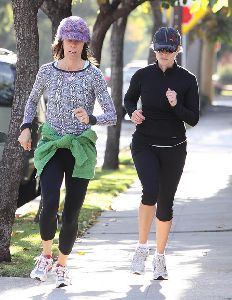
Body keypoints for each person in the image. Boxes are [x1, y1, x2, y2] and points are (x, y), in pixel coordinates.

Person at [18, 16, 117, 288]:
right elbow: (31, 101)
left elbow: (112, 114)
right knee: (49, 203)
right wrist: (27, 127)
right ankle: (45, 255)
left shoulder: (93, 74)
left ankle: (62, 265)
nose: (72, 46)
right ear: (60, 41)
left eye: (77, 41)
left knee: (72, 213)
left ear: (84, 43)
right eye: (68, 40)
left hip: (80, 148)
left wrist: (92, 119)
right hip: (52, 146)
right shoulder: (47, 71)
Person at [124, 27, 199, 280]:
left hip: (175, 147)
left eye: (169, 49)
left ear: (177, 50)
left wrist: (177, 105)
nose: (164, 54)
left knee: (166, 202)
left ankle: (159, 257)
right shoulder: (143, 75)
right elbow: (129, 100)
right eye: (160, 49)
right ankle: (141, 248)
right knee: (150, 191)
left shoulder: (187, 80)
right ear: (153, 50)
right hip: (144, 142)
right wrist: (132, 112)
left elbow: (194, 118)